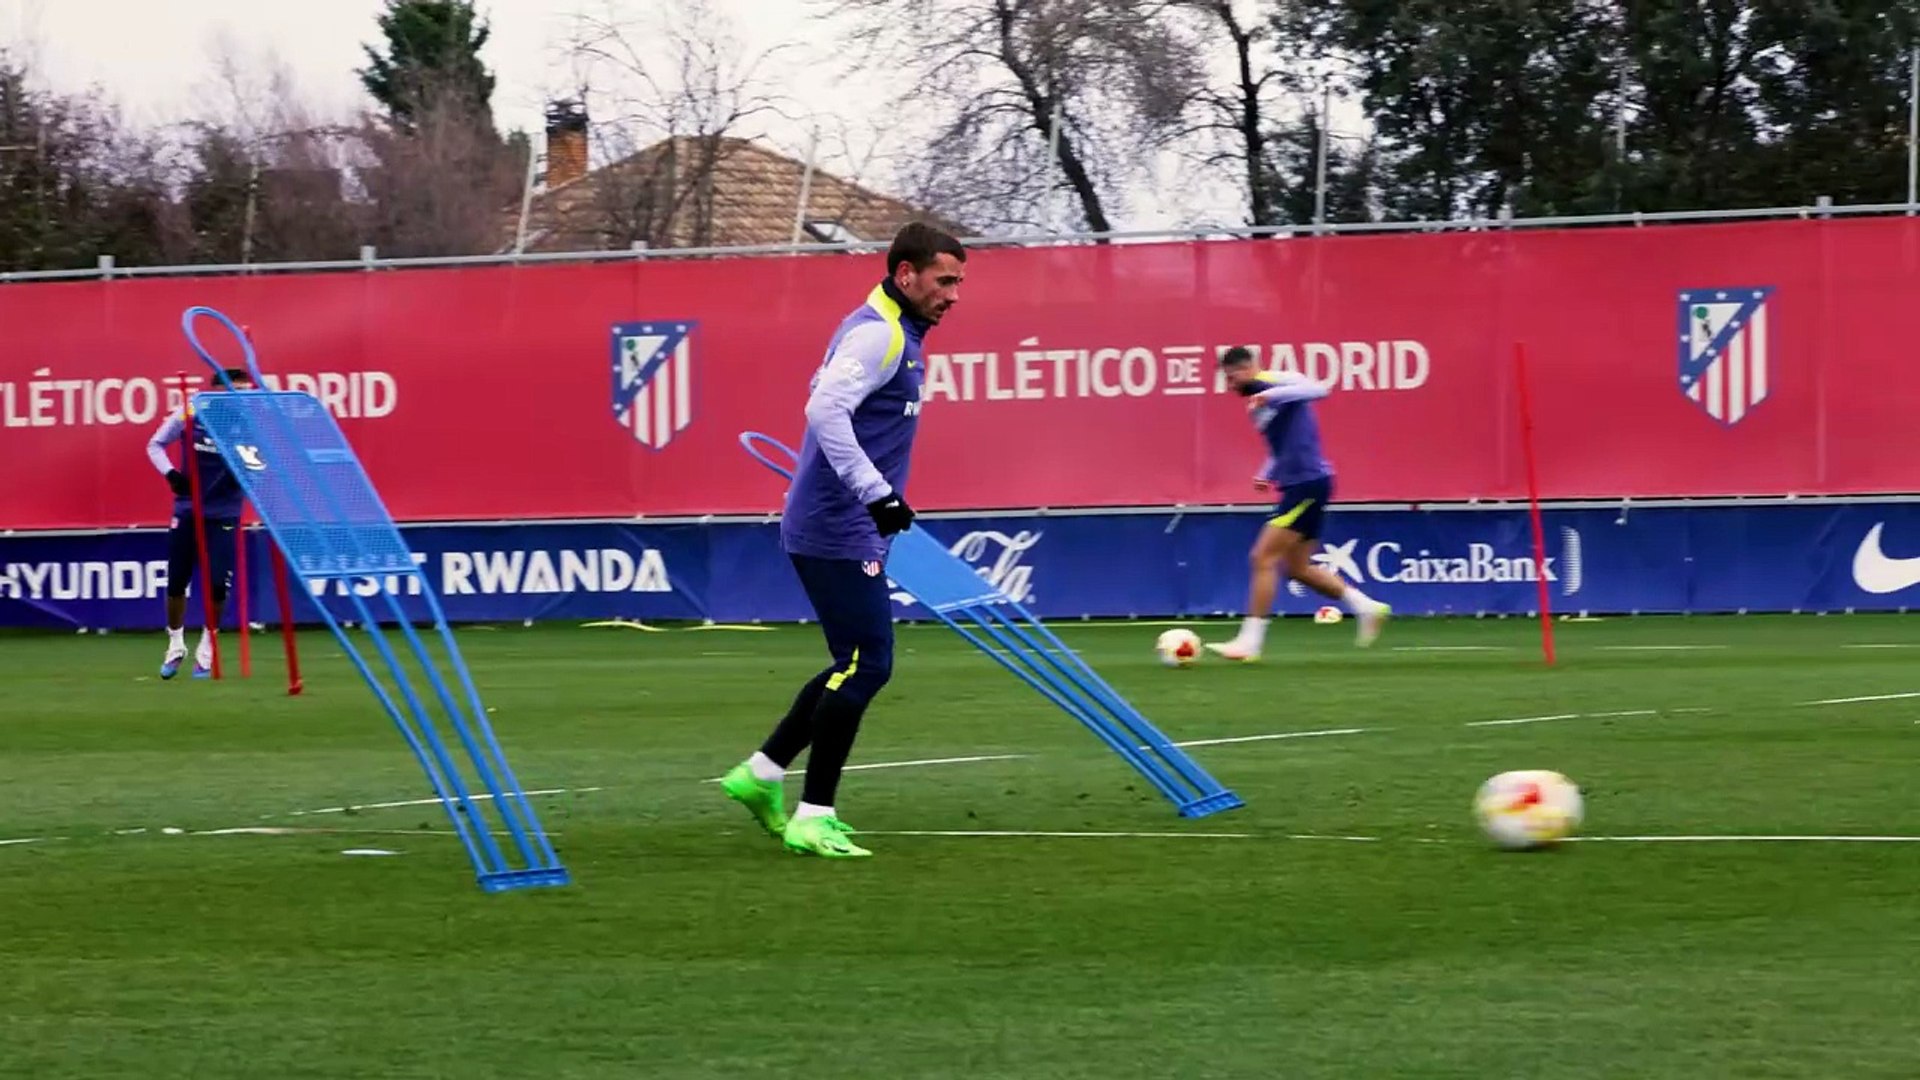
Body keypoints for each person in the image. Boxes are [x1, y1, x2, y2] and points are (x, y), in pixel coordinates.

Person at [720, 222, 966, 858]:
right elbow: (824, 409)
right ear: (906, 274)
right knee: (868, 664)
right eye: (944, 281)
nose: (954, 295)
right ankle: (812, 814)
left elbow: (830, 401)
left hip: (841, 520)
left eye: (959, 282)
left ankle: (762, 774)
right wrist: (873, 491)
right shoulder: (879, 332)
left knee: (850, 664)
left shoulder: (892, 327)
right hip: (836, 525)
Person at [1206, 347, 1389, 661]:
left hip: (1307, 484)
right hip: (1300, 483)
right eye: (1226, 379)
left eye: (1232, 377)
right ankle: (1367, 607)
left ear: (1249, 368)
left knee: (1262, 557)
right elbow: (1282, 450)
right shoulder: (1254, 407)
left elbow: (1319, 389)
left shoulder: (1277, 381)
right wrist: (1266, 473)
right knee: (1298, 568)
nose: (1229, 386)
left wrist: (1272, 396)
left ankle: (1250, 643)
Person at [146, 368, 254, 679]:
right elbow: (154, 444)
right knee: (177, 580)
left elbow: (261, 465)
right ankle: (176, 645)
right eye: (234, 391)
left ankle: (208, 646)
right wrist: (170, 474)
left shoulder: (249, 422)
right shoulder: (193, 410)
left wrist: (247, 471)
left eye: (245, 391)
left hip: (224, 511)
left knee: (218, 584)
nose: (239, 398)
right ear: (217, 391)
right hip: (188, 508)